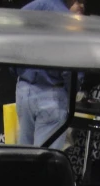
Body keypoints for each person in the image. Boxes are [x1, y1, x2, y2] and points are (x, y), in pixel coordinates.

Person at [15, 0, 85, 150]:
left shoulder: (30, 8)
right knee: (44, 162)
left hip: (24, 90)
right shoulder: (69, 22)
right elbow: (70, 68)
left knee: (22, 156)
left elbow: (10, 38)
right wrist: (71, 91)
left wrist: (17, 71)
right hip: (51, 94)